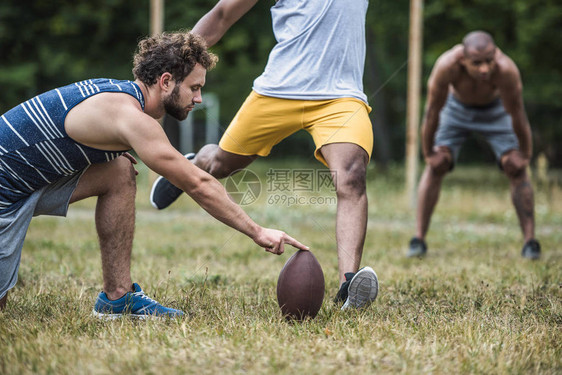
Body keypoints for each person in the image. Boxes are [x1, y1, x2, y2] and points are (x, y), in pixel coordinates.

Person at [0, 31, 308, 318]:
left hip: (25, 186)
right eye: (194, 87)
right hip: (5, 193)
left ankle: (117, 298)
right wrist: (258, 232)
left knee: (120, 170)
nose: (198, 98)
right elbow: (198, 182)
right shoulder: (130, 116)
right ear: (165, 81)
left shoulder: (122, 100)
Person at [150, 0, 379, 310]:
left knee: (351, 177)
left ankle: (349, 285)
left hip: (341, 96)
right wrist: (178, 61)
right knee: (223, 164)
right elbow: (222, 15)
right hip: (278, 90)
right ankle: (196, 164)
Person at [408, 31, 541, 259]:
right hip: (455, 108)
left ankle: (530, 242)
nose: (485, 69)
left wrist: (525, 154)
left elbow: (518, 113)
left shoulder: (506, 70)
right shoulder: (446, 66)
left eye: (489, 60)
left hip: (496, 109)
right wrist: (428, 152)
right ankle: (418, 239)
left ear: (496, 53)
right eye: (477, 63)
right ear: (463, 60)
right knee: (437, 166)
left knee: (516, 167)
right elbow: (432, 112)